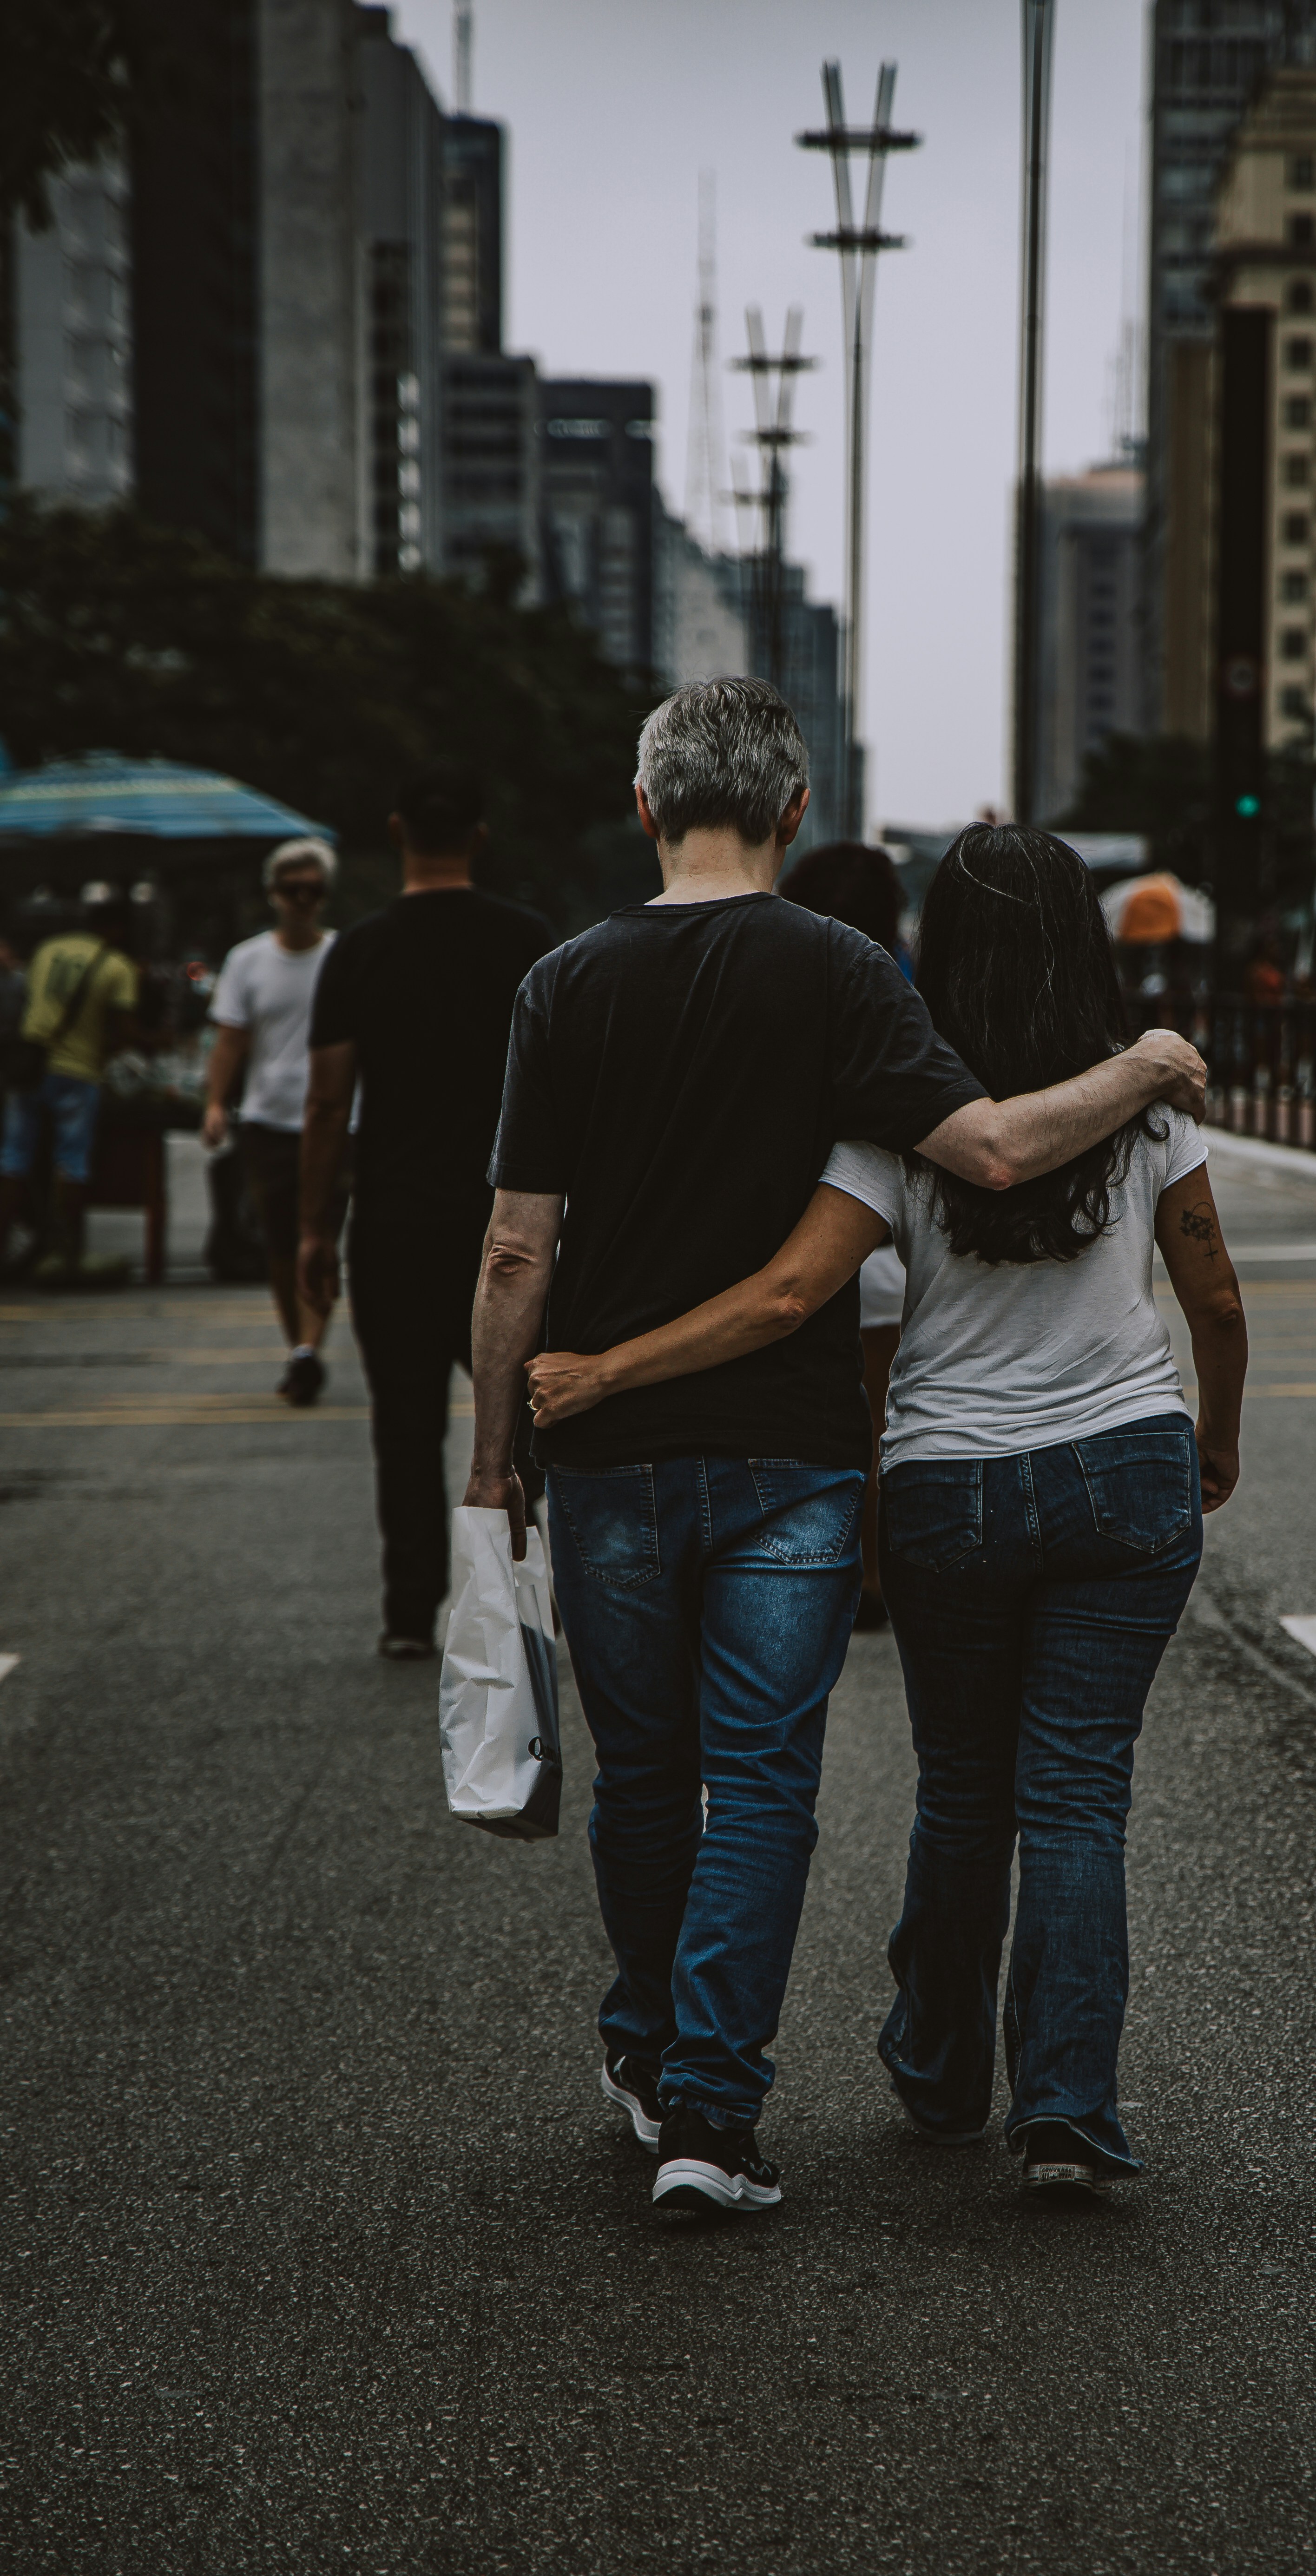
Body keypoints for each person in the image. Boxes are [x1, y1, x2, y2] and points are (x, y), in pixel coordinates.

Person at [467, 678, 1207, 2216]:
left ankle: (654, 2050)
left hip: (605, 1456)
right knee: (764, 1780)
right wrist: (1146, 1067)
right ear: (796, 813)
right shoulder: (843, 972)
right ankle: (711, 2122)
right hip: (791, 1457)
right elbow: (994, 1150)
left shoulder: (562, 982)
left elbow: (514, 1253)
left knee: (644, 1777)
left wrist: (498, 1451)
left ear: (643, 806)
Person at [298, 768, 553, 1660]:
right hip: (511, 1221)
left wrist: (313, 1227)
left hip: (395, 1220)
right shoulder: (529, 942)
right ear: (480, 838)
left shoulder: (360, 950)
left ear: (399, 829)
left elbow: (328, 1105)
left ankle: (411, 1613)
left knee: (403, 1421)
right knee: (521, 1418)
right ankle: (518, 1593)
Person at [782, 837, 913, 1631]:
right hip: (882, 1247)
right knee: (876, 1428)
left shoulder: (771, 981)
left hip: (781, 1249)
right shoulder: (898, 989)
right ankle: (871, 1576)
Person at [202, 837, 344, 1405]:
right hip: (268, 1121)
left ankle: (309, 1347)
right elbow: (230, 1041)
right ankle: (299, 1346)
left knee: (323, 1238)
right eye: (293, 890)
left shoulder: (342, 955)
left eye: (314, 891)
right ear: (273, 895)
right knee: (281, 1244)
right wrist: (215, 1103)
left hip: (335, 1124)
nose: (303, 901)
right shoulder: (248, 961)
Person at [0, 883, 145, 1283]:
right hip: (78, 1071)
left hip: (29, 1065)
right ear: (116, 927)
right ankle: (66, 1249)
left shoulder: (49, 949)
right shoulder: (117, 966)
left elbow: (26, 999)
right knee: (73, 1161)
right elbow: (125, 1031)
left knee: (13, 1158)